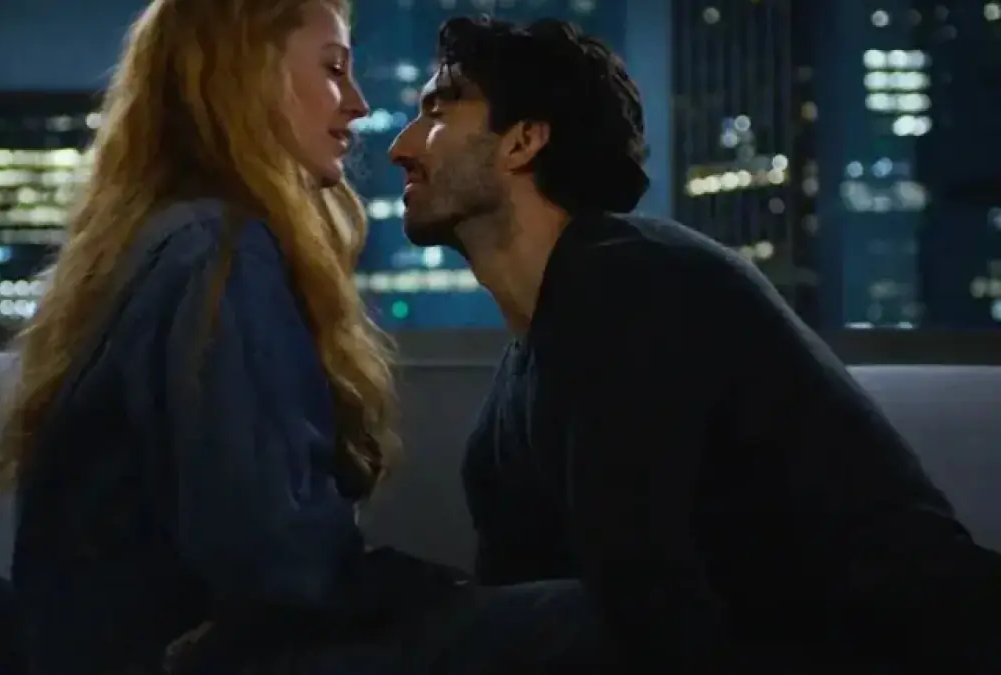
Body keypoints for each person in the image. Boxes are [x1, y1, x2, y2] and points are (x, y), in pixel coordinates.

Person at [0, 2, 606, 675]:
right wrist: (441, 593)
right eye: (334, 70)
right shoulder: (218, 250)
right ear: (245, 77)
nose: (359, 105)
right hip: (198, 655)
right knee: (607, 624)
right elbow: (280, 559)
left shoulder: (159, 241)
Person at [389, 15, 1001, 675]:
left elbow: (651, 604)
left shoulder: (634, 286)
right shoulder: (515, 396)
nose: (401, 146)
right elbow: (525, 617)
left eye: (437, 111)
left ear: (522, 141)